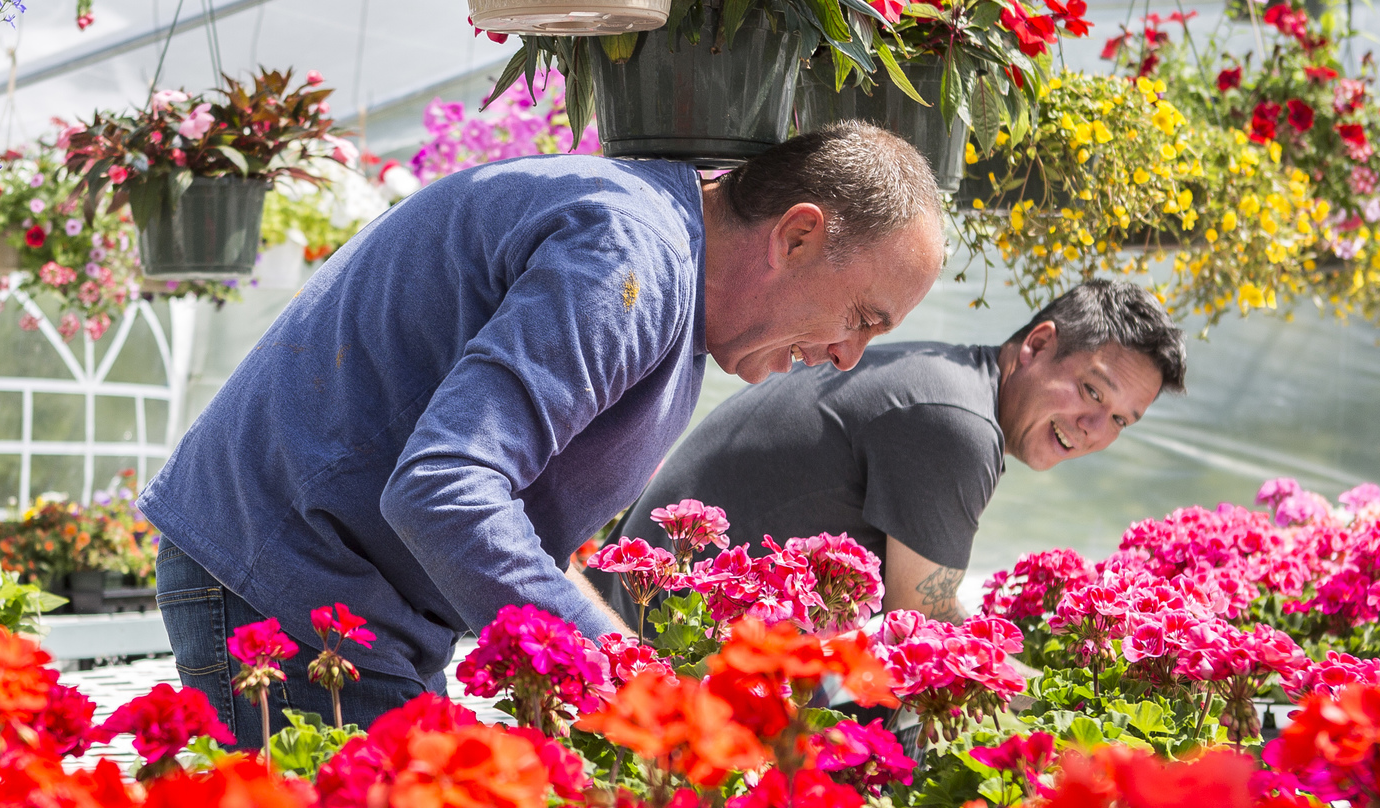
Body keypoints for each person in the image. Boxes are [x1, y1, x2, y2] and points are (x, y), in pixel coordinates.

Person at [139, 121, 948, 747]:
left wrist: (631, 668)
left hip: (343, 594)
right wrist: (625, 681)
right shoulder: (629, 255)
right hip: (285, 577)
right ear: (797, 235)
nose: (849, 354)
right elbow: (443, 490)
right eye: (862, 317)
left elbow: (510, 512)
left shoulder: (669, 273)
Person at [597, 278, 1185, 625]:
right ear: (1037, 343)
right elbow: (919, 628)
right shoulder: (957, 424)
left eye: (1121, 422)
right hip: (655, 645)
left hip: (643, 614)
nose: (1093, 429)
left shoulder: (941, 375)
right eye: (1091, 391)